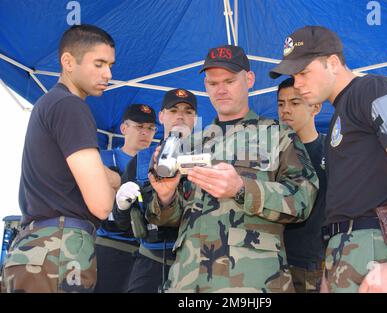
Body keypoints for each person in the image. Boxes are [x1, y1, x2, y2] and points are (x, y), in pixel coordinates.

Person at [270, 25, 387, 293]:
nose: (297, 84)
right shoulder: (339, 115)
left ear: (333, 63)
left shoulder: (376, 89)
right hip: (344, 253)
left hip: (376, 248)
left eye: (303, 73)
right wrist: (330, 274)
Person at [143, 44, 318, 292]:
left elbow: (303, 200)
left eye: (229, 81)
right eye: (213, 84)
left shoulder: (277, 135)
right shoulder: (191, 143)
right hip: (188, 280)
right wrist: (165, 195)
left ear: (249, 79)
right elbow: (168, 218)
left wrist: (241, 188)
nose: (221, 90)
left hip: (250, 282)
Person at [1, 24, 116, 293]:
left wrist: (104, 174)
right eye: (98, 63)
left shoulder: (49, 104)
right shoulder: (70, 106)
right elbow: (101, 205)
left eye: (110, 65)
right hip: (59, 250)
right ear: (68, 61)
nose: (108, 74)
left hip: (34, 250)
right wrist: (113, 180)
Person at [113, 88, 197, 292]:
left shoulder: (205, 158)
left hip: (195, 264)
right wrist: (121, 206)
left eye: (188, 111)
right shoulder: (142, 160)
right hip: (150, 261)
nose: (180, 116)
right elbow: (122, 224)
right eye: (173, 110)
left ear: (195, 119)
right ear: (161, 116)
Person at [94, 104, 157, 293]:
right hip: (109, 244)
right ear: (124, 128)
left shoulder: (156, 161)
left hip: (145, 249)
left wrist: (115, 182)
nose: (145, 133)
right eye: (139, 126)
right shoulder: (103, 158)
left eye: (150, 128)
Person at [277, 78, 327, 293]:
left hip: (317, 264)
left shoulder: (334, 151)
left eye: (295, 103)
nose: (286, 110)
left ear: (315, 107)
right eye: (281, 104)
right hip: (274, 263)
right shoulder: (270, 154)